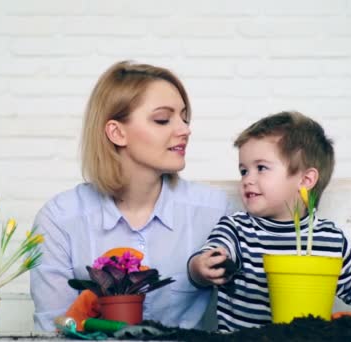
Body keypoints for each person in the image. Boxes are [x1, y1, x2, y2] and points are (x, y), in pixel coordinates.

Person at [30, 61, 233, 331]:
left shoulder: (216, 211)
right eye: (163, 119)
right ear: (117, 132)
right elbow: (55, 328)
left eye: (184, 117)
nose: (184, 129)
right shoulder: (59, 219)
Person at [187, 111, 351, 332]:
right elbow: (213, 253)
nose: (248, 180)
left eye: (261, 168)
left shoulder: (329, 238)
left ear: (306, 179)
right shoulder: (236, 229)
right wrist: (203, 266)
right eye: (243, 171)